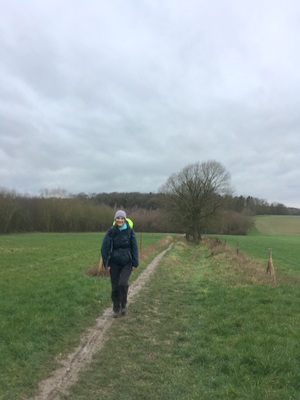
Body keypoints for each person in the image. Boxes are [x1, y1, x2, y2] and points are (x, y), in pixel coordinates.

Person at [101, 210, 139, 318]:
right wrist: (106, 263)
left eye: (122, 218)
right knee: (115, 286)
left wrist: (135, 262)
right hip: (114, 262)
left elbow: (134, 247)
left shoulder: (130, 232)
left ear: (125, 220)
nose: (120, 220)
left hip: (127, 262)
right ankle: (116, 308)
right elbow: (104, 248)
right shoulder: (111, 231)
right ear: (115, 219)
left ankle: (124, 304)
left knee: (123, 283)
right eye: (118, 218)